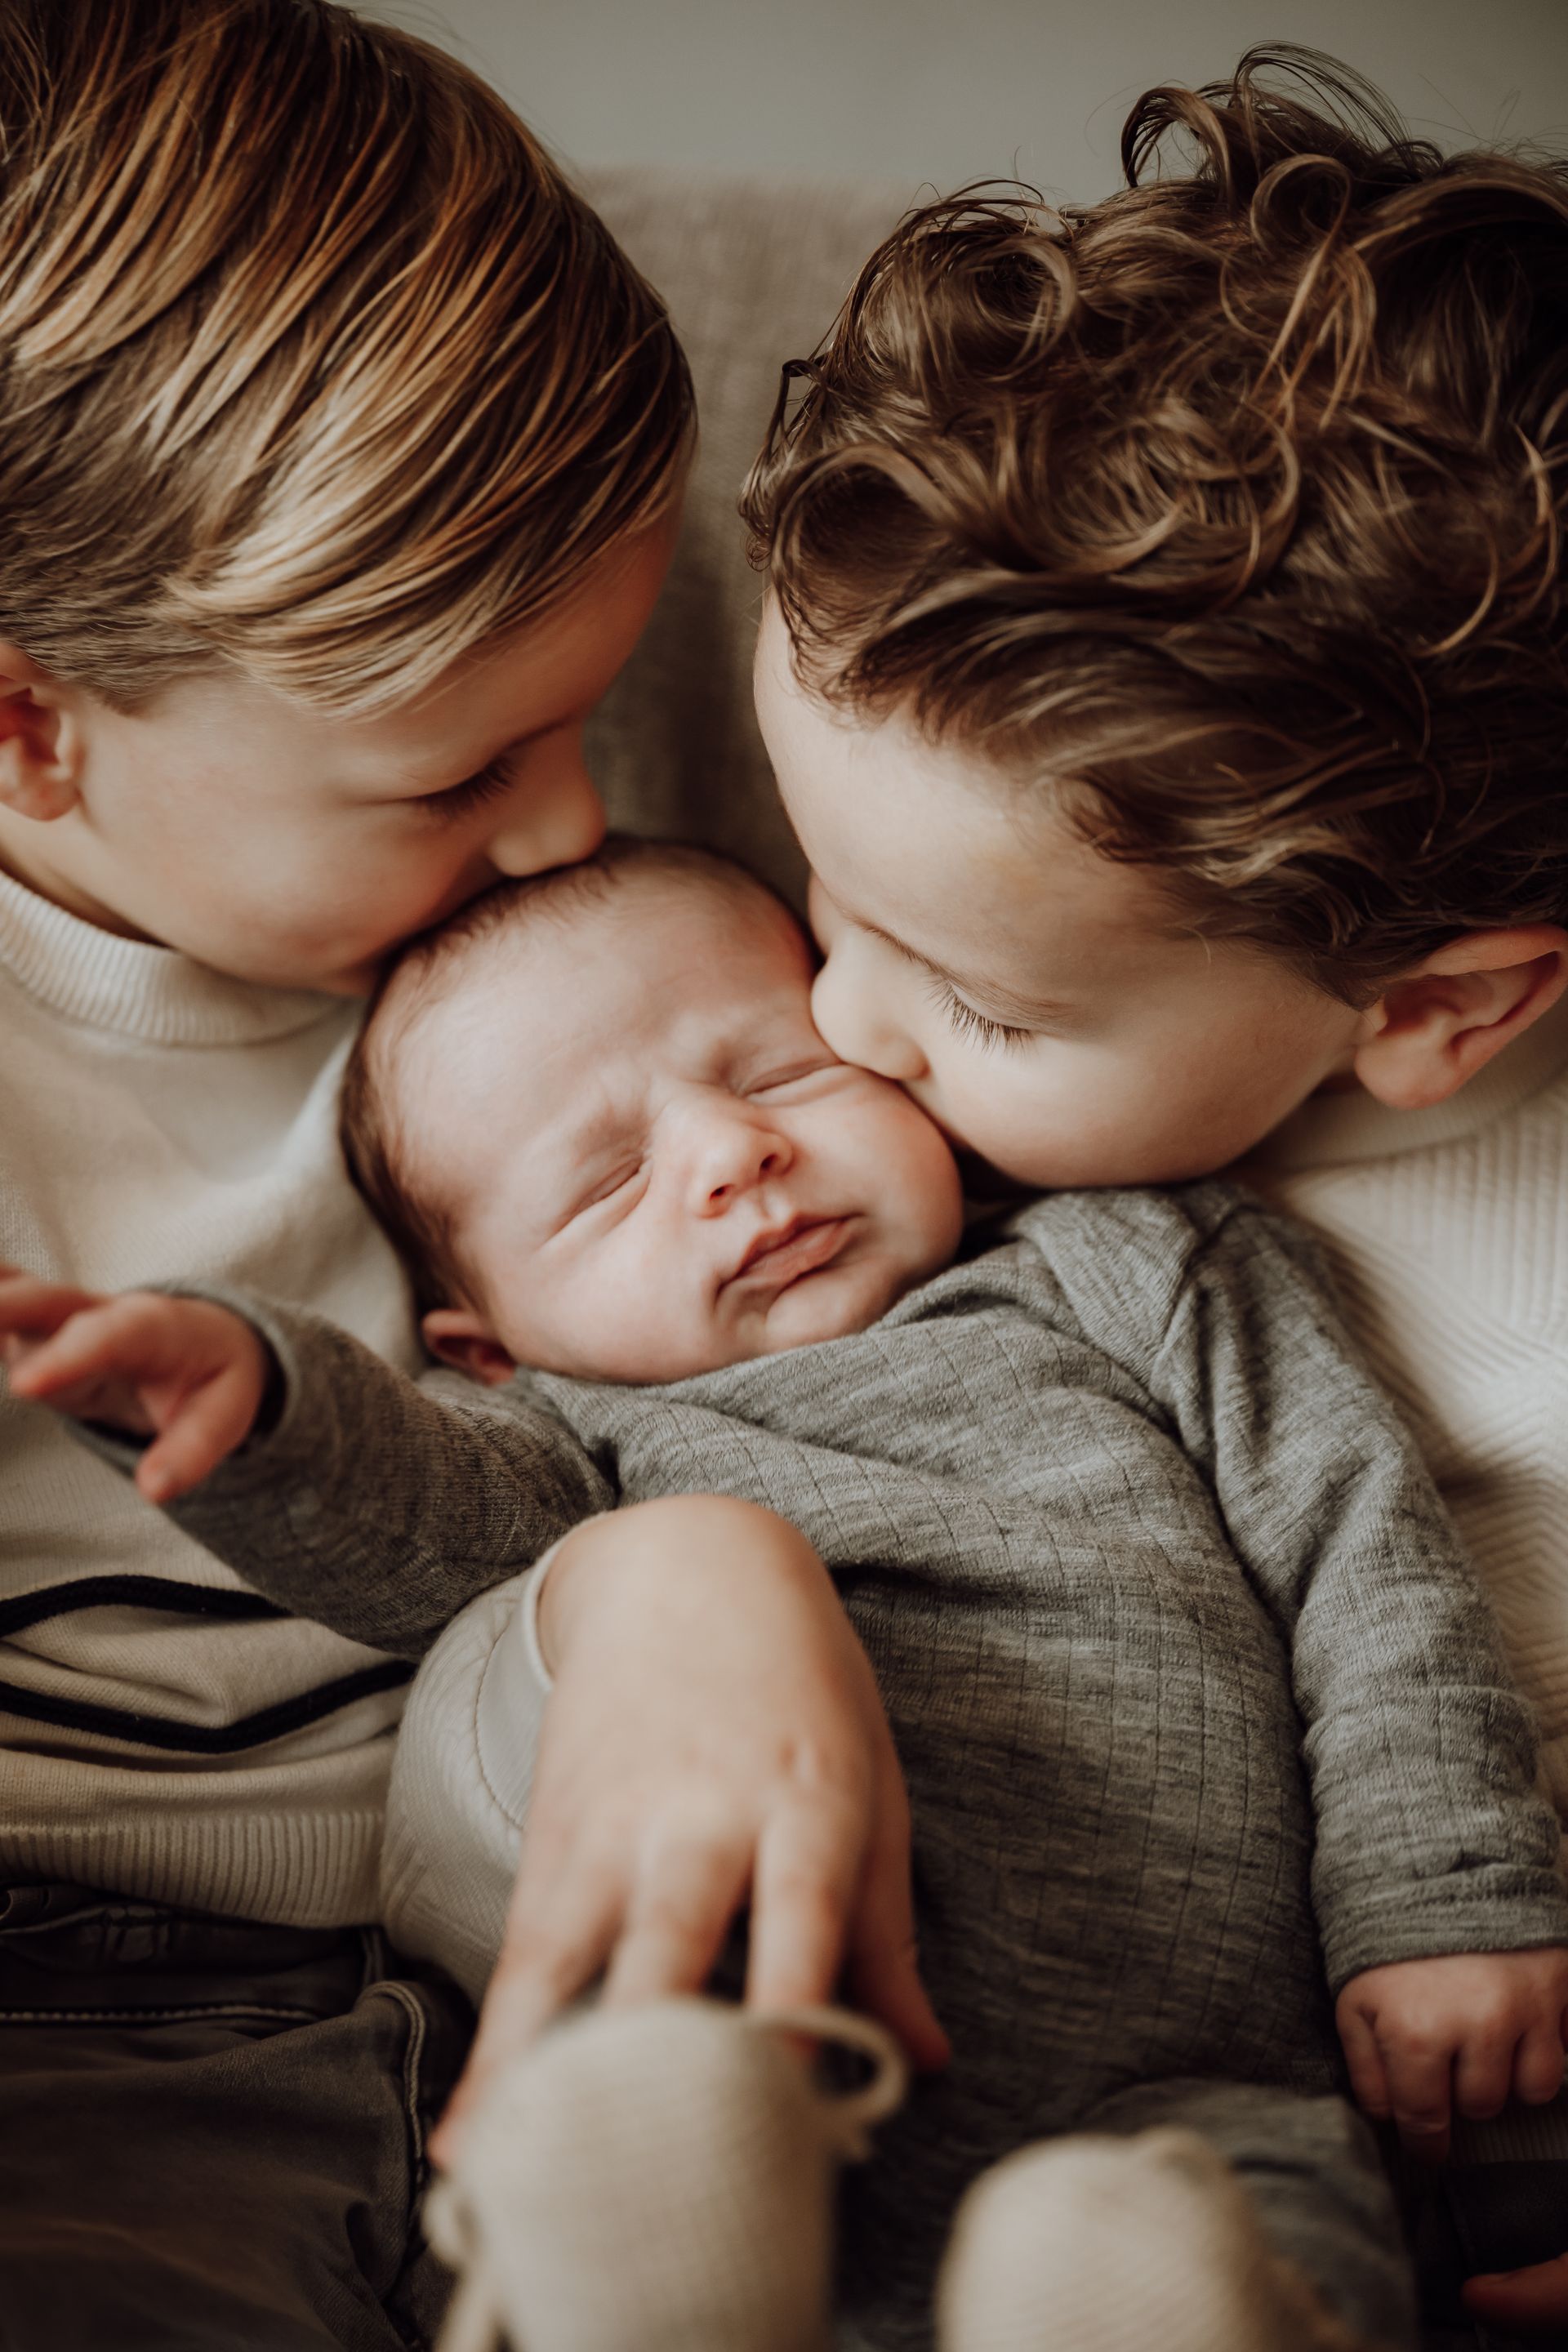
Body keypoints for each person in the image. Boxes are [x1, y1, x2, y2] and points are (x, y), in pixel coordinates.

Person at [6, 840, 1568, 2352]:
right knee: (668, 2114)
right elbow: (412, 1520)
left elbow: (1365, 1564)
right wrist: (261, 1410)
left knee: (1183, 2245)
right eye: (610, 1180)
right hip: (782, 2068)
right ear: (485, 1338)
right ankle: (653, 2258)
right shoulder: (564, 1433)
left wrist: (1439, 1900)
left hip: (1211, 2085)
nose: (728, 1151)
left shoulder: (1129, 1267)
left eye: (779, 1074)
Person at [0, 7, 943, 2345]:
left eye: (582, 718)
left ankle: (654, 2180)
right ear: (32, 727)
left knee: (698, 1571)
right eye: (458, 776)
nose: (572, 828)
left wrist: (690, 1570)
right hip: (73, 1939)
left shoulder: (553, 971)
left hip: (457, 1825)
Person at [737, 44, 1568, 2344]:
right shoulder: (988, 1108)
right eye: (821, 896)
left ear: (1434, 1010)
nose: (846, 1026)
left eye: (975, 1004)